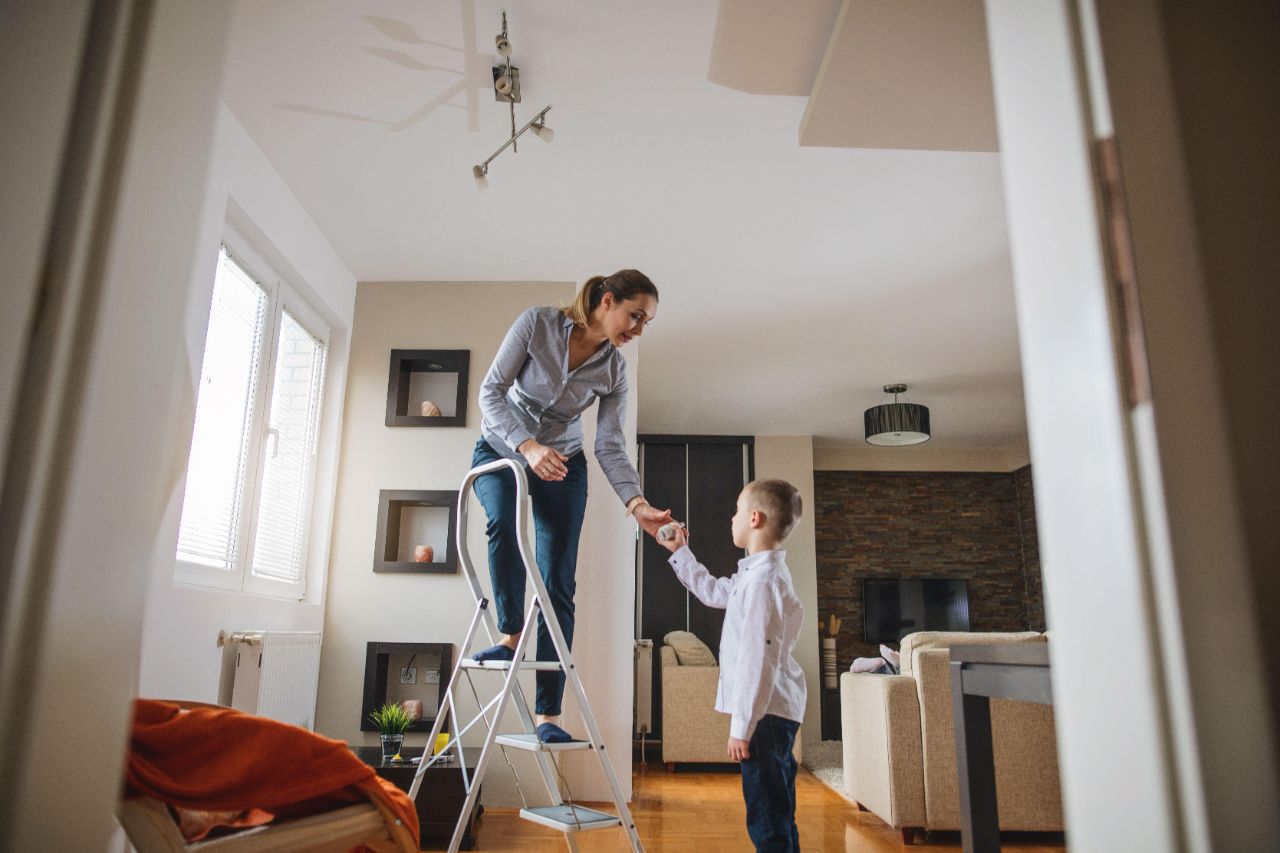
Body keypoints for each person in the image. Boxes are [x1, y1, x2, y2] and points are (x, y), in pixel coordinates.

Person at [470, 270, 672, 744]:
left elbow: (609, 445)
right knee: (503, 521)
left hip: (565, 462)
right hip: (502, 448)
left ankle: (548, 716)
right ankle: (510, 636)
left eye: (646, 322)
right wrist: (527, 446)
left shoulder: (614, 371)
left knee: (557, 577)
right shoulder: (536, 324)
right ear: (607, 301)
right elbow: (490, 392)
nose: (638, 328)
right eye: (635, 315)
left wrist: (637, 503)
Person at [655, 479, 807, 853]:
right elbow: (712, 591)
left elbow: (759, 660)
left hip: (765, 717)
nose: (732, 517)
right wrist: (680, 551)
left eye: (738, 510)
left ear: (754, 518)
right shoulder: (753, 576)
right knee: (777, 811)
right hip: (771, 713)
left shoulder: (764, 582)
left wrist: (741, 728)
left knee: (767, 817)